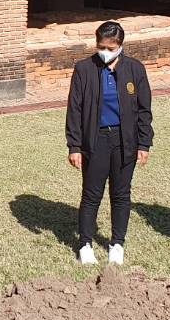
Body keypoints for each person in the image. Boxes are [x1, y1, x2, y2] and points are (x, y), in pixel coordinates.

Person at [65, 21, 154, 266]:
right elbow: (75, 109)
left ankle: (117, 243)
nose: (105, 51)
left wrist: (144, 144)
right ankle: (85, 243)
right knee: (92, 194)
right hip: (95, 140)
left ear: (120, 46)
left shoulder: (135, 70)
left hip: (125, 140)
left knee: (121, 194)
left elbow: (144, 110)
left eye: (110, 47)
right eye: (101, 47)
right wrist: (74, 146)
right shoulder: (84, 69)